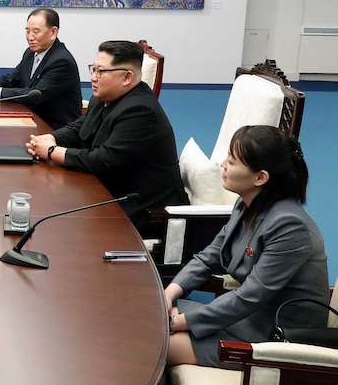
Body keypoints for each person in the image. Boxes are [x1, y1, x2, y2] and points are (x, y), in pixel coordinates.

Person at [164, 125, 329, 369]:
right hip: (240, 319)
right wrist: (169, 293)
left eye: (232, 161)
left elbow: (249, 297)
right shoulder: (246, 204)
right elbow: (209, 257)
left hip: (271, 337)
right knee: (144, 315)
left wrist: (181, 322)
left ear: (260, 177)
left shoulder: (290, 226)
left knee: (154, 343)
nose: (222, 164)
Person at [26, 40, 188, 234]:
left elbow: (105, 160)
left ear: (127, 77)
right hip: (106, 189)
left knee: (58, 224)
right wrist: (50, 139)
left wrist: (52, 151)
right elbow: (79, 129)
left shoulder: (141, 111)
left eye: (100, 72)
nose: (93, 78)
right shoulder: (102, 97)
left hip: (143, 209)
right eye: (93, 70)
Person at [0, 8, 81, 129]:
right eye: (27, 31)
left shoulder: (61, 61)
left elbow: (37, 96)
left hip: (55, 127)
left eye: (36, 32)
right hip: (32, 120)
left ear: (53, 32)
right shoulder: (31, 53)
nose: (30, 37)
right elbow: (15, 78)